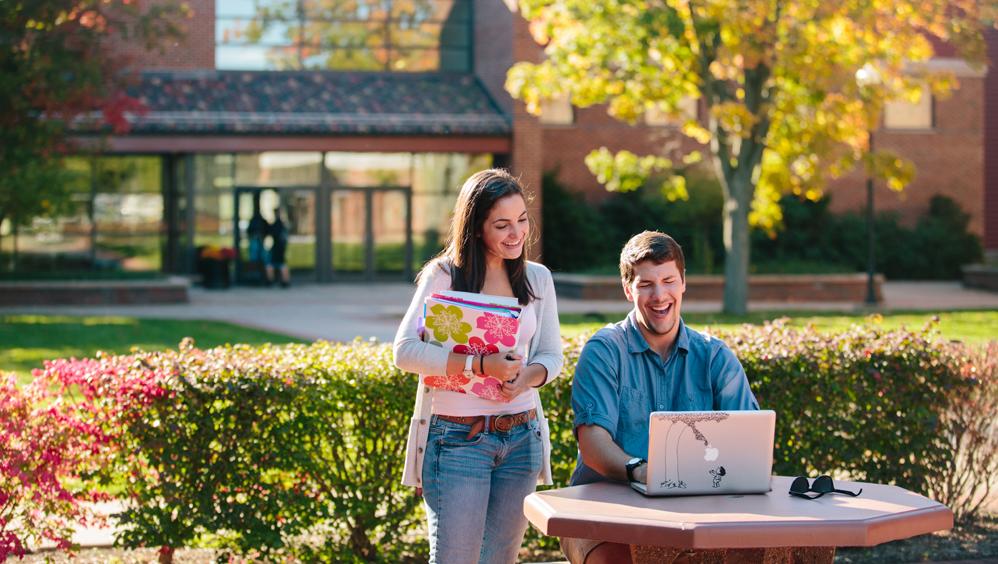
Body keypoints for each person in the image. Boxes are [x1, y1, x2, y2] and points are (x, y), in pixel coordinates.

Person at [393, 168, 563, 564]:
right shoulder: (444, 276)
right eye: (502, 224)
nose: (516, 234)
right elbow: (404, 352)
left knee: (499, 560)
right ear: (476, 227)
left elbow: (551, 356)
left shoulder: (537, 279)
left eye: (522, 220)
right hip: (457, 442)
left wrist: (526, 378)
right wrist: (479, 364)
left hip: (522, 439)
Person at [561, 231, 759, 564]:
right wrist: (639, 470)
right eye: (645, 284)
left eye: (668, 280)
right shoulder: (605, 351)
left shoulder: (714, 357)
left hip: (697, 511)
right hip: (604, 508)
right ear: (628, 290)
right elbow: (593, 443)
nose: (659, 295)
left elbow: (750, 441)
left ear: (683, 283)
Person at [266, 207, 290, 288]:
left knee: (273, 264)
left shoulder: (277, 224)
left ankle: (272, 281)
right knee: (280, 264)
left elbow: (270, 233)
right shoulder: (282, 224)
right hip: (280, 247)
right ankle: (283, 281)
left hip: (278, 247)